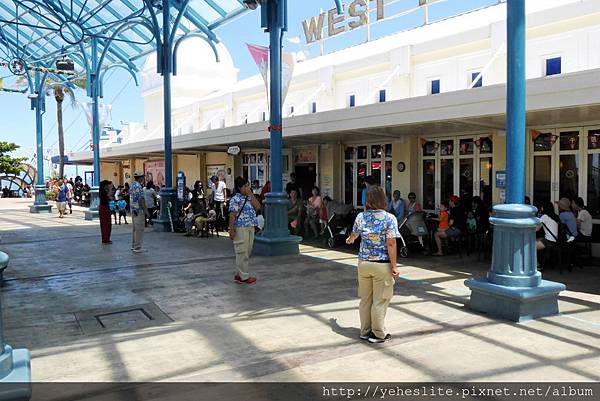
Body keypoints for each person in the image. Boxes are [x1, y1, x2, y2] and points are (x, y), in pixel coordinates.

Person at [345, 186, 400, 344]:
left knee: (365, 299)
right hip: (381, 265)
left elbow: (353, 235)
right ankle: (377, 334)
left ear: (368, 200)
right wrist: (394, 266)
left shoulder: (361, 217)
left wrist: (349, 240)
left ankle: (365, 331)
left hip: (363, 263)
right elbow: (391, 244)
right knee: (380, 300)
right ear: (384, 199)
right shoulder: (389, 218)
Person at [228, 176, 261, 284]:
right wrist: (231, 230)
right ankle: (244, 276)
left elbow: (258, 207)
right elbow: (232, 215)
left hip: (250, 225)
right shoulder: (235, 199)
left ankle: (239, 274)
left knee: (248, 250)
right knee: (242, 251)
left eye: (248, 185)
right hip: (240, 227)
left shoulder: (249, 197)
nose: (247, 188)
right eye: (245, 186)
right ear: (239, 187)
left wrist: (250, 194)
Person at [130, 172, 149, 253]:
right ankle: (137, 247)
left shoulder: (132, 185)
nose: (144, 178)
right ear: (140, 177)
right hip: (139, 210)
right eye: (143, 177)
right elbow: (141, 199)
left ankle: (134, 245)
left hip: (133, 209)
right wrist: (146, 211)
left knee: (135, 229)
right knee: (139, 229)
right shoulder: (139, 186)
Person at [99, 180, 113, 244]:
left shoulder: (102, 191)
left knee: (104, 224)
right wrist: (110, 189)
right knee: (106, 224)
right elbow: (108, 196)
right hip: (104, 208)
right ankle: (106, 239)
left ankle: (105, 238)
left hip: (103, 208)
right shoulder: (104, 192)